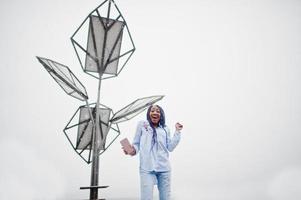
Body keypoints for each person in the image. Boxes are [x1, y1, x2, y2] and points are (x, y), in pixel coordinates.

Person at [123, 104, 183, 200]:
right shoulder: (142, 125)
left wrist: (177, 132)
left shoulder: (165, 129)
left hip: (164, 169)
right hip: (147, 168)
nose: (155, 112)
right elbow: (136, 144)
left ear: (161, 115)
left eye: (158, 111)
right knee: (146, 197)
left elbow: (170, 147)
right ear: (148, 114)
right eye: (152, 110)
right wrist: (131, 150)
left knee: (165, 198)